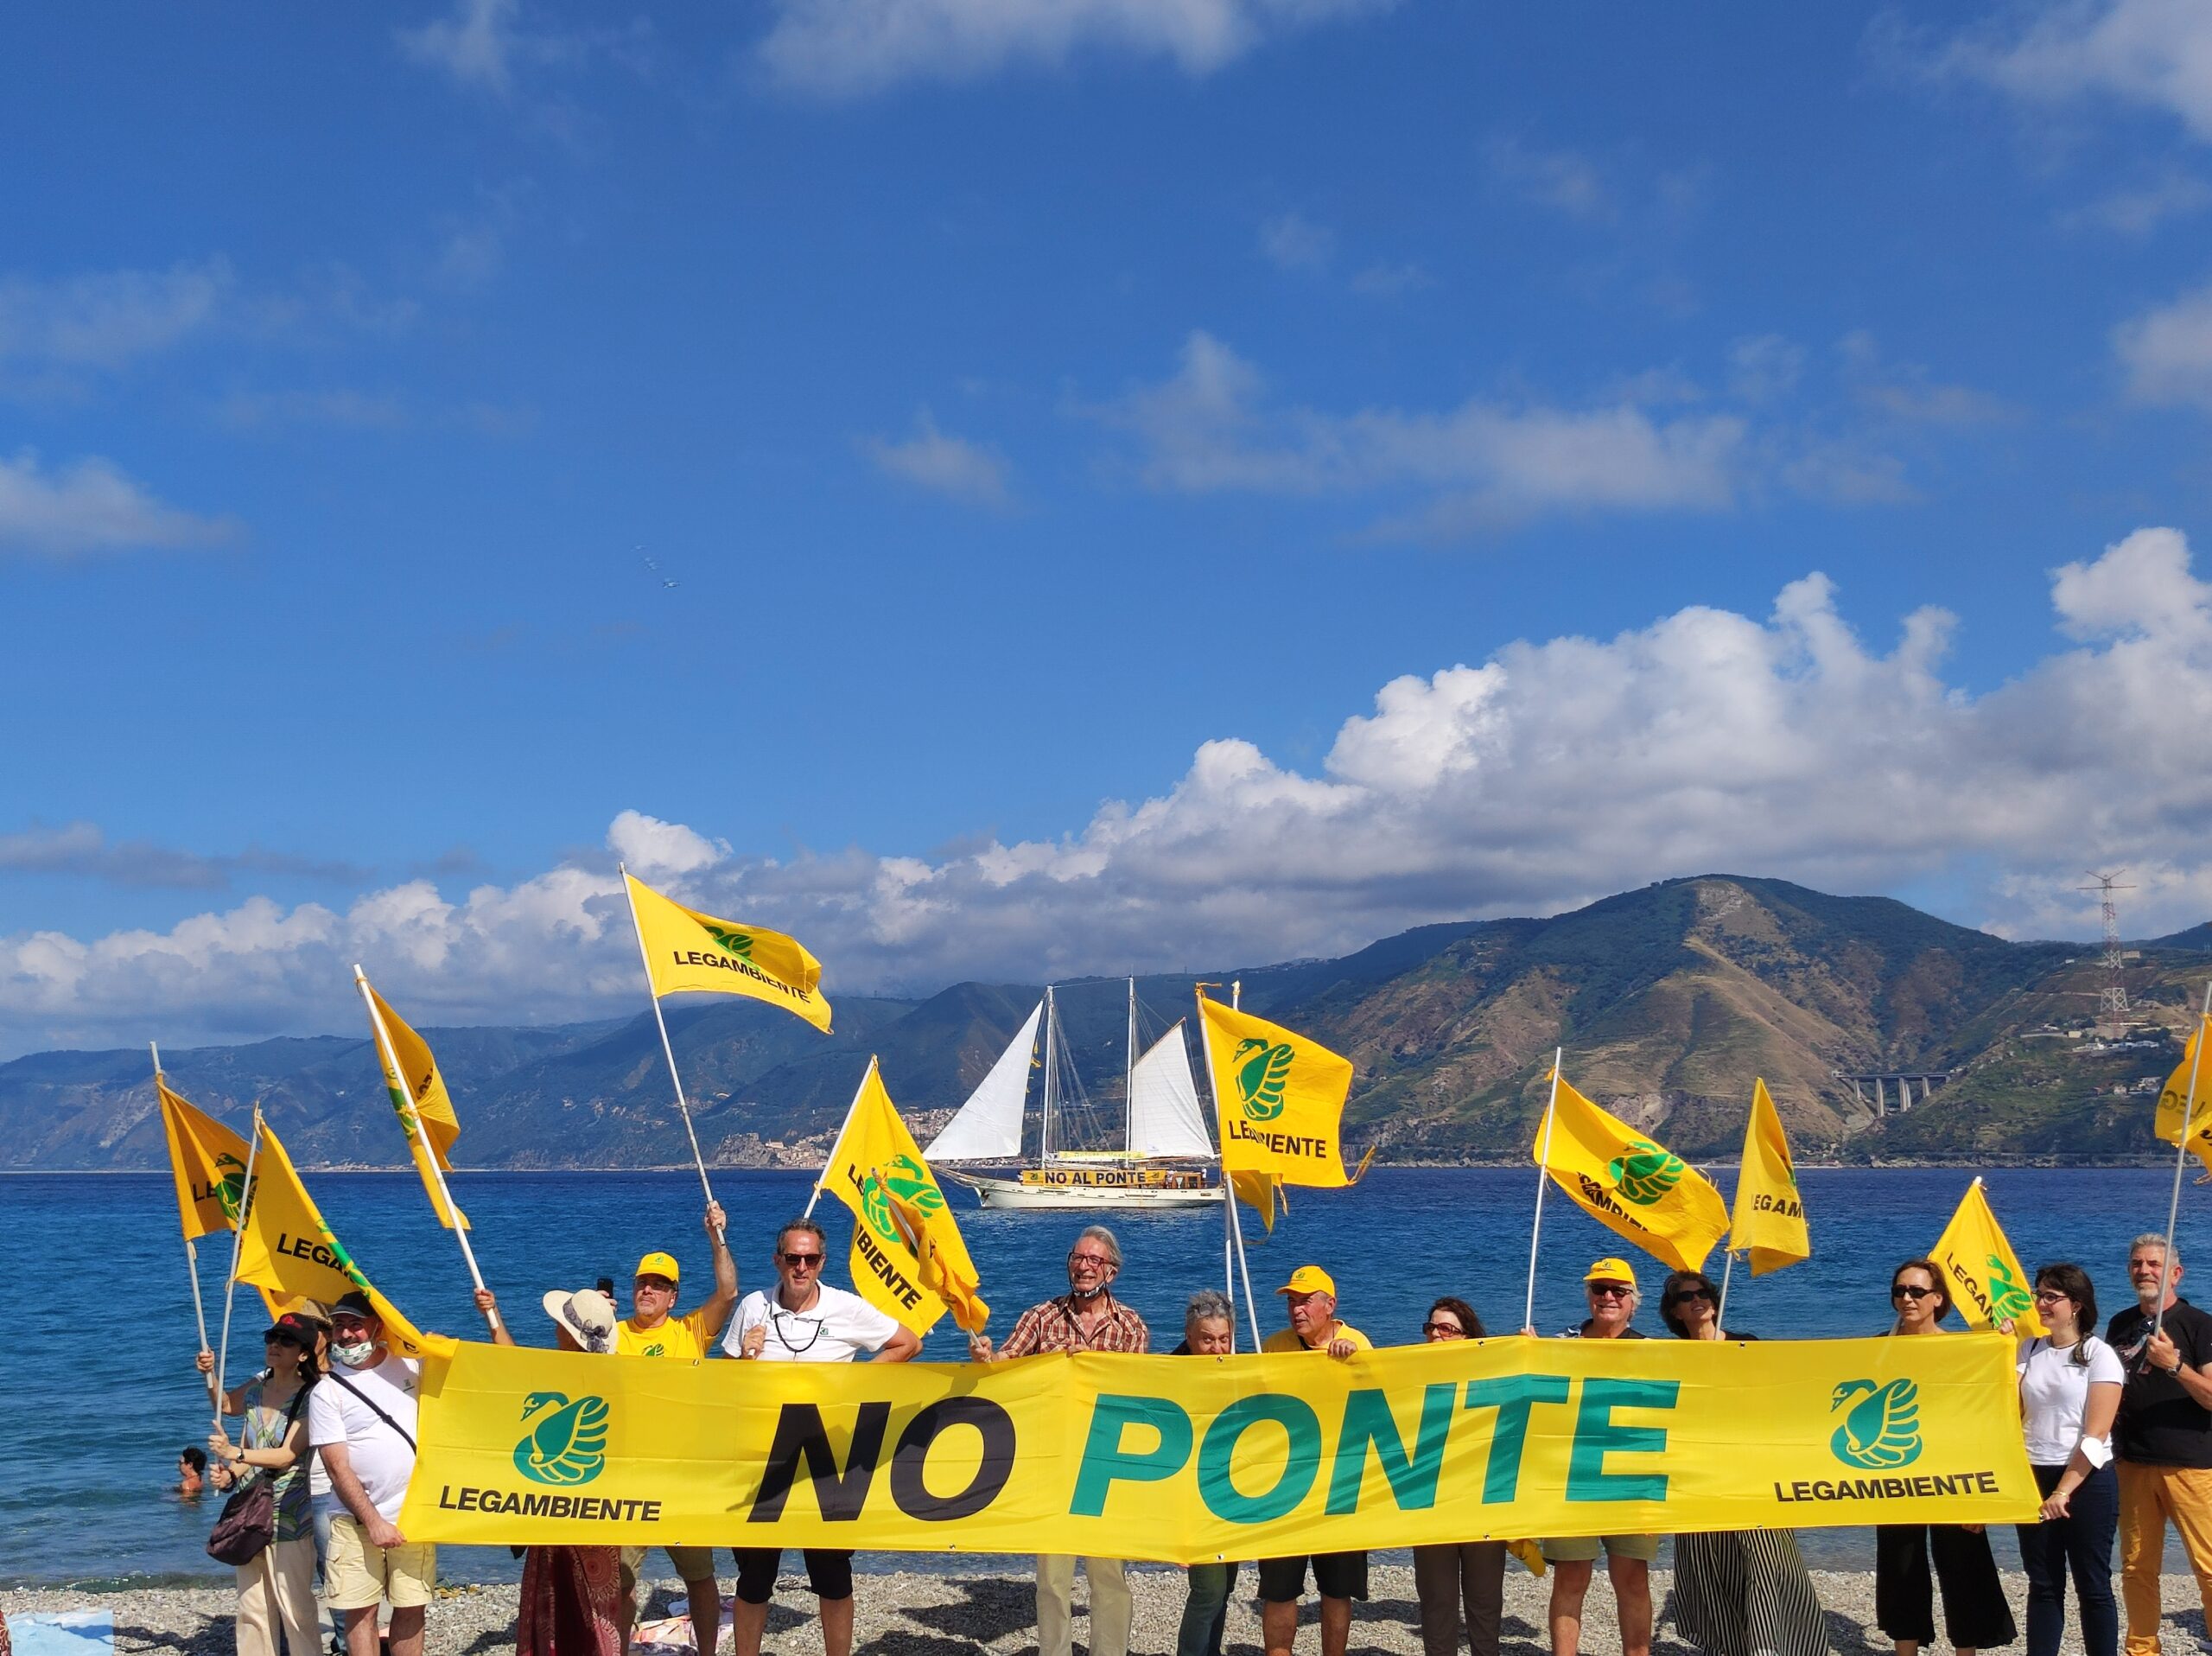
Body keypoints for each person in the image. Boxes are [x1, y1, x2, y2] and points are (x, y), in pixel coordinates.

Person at [723, 1218, 918, 1656]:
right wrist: (746, 1359)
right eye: (793, 1258)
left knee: (831, 1572)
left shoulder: (846, 1307)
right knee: (754, 1577)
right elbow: (727, 1386)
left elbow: (908, 1344)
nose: (801, 1267)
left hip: (828, 1458)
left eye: (810, 1259)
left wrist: (854, 1386)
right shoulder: (754, 1307)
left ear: (822, 1262)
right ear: (778, 1261)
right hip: (763, 1459)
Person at [969, 1225, 1148, 1656]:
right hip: (1050, 1461)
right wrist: (985, 1358)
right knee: (1052, 1579)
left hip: (1105, 1463)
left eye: (1094, 1261)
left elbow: (1142, 1394)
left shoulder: (1130, 1327)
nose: (1084, 1267)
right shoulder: (1041, 1317)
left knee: (1109, 1576)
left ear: (1112, 1271)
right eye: (1077, 1258)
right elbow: (1005, 1364)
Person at [1656, 1269, 1827, 1656]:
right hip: (1698, 1480)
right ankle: (1726, 1647)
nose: (1697, 1299)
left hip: (1752, 1478)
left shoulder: (1746, 1346)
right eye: (1686, 1297)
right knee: (1711, 1569)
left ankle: (1777, 1646)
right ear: (1675, 1312)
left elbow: (1776, 1407)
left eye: (1703, 1293)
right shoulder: (1669, 1357)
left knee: (1770, 1565)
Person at [615, 1201, 737, 1653]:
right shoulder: (612, 1334)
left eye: (659, 1285)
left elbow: (727, 1292)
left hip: (683, 1475)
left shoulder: (690, 1332)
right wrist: (586, 1314)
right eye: (643, 1282)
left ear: (673, 1297)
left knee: (700, 1577)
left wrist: (716, 1235)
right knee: (622, 1581)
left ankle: (707, 1651)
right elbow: (569, 1359)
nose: (648, 1290)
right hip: (629, 1474)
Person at [1876, 1259, 2015, 1656]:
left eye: (1917, 1291)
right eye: (1900, 1290)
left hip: (1954, 1475)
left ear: (1938, 1299)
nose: (1907, 1298)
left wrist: (2001, 1348)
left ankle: (1965, 1651)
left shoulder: (1964, 1351)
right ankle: (1906, 1650)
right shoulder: (1877, 1349)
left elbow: (1990, 1416)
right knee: (1900, 1565)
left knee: (1963, 1567)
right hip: (1895, 1472)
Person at [478, 1284, 626, 1656]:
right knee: (595, 1607)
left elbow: (511, 1368)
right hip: (601, 1513)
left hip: (556, 1511)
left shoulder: (554, 1374)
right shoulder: (620, 1382)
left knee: (559, 1606)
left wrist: (493, 1318)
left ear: (571, 1336)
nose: (555, 1328)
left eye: (561, 1324)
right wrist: (492, 1316)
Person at [1541, 1258, 1658, 1656]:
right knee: (1571, 1580)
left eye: (1618, 1291)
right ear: (1588, 1296)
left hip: (1633, 1478)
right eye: (1599, 1289)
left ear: (1633, 1301)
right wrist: (1524, 1353)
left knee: (1633, 1581)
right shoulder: (1559, 1344)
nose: (1608, 1296)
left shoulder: (1654, 1353)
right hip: (1574, 1474)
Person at [308, 1291, 434, 1656]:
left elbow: (465, 1384)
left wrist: (443, 1346)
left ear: (377, 1327)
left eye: (356, 1325)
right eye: (340, 1326)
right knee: (359, 1613)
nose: (347, 1335)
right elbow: (336, 1465)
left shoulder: (410, 1366)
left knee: (412, 1606)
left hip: (414, 1514)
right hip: (353, 1521)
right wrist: (373, 1521)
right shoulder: (326, 1392)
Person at [2106, 1232, 2212, 1656]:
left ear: (2176, 1274)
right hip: (2131, 1461)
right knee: (2136, 1567)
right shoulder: (2120, 1323)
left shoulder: (2200, 1325)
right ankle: (2142, 1648)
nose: (2145, 1271)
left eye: (2154, 1264)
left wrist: (2175, 1366)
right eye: (2137, 1263)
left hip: (2190, 1462)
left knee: (2208, 1567)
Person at [1258, 1266, 1370, 1656]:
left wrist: (1353, 1365)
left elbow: (1380, 1405)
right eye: (1291, 1302)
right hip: (1285, 1487)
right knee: (1278, 1590)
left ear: (1330, 1305)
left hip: (1339, 1488)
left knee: (1337, 1591)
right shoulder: (1273, 1346)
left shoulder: (1358, 1343)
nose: (1296, 1310)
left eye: (1304, 1301)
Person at [2017, 1263, 2120, 1656]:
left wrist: (2063, 1491)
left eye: (2050, 1297)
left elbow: (2095, 1436)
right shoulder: (2029, 1348)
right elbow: (2006, 1406)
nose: (2041, 1303)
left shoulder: (2099, 1354)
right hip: (2033, 1476)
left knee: (2092, 1585)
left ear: (2075, 1304)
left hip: (2086, 1481)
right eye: (2038, 1294)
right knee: (2043, 1584)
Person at [205, 1312, 322, 1656]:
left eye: (286, 1340)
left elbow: (287, 1456)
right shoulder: (257, 1391)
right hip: (250, 1513)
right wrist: (208, 1373)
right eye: (272, 1338)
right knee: (252, 1607)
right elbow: (225, 1406)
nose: (275, 1345)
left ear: (303, 1353)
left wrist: (235, 1453)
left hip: (290, 1515)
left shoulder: (312, 1396)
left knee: (295, 1606)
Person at [1410, 1296, 1507, 1656]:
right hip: (1431, 1506)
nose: (1436, 1334)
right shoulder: (1409, 1375)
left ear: (1467, 1337)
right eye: (1431, 1327)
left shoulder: (1492, 1378)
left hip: (1480, 1504)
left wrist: (1529, 1349)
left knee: (1484, 1604)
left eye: (1447, 1329)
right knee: (1437, 1603)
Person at [1173, 1290, 1240, 1656]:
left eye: (1224, 1338)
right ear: (1189, 1336)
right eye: (1207, 1339)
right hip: (1192, 1502)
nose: (1216, 1346)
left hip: (1231, 1495)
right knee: (1208, 1592)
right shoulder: (1169, 1373)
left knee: (1226, 1588)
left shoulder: (1238, 1369)